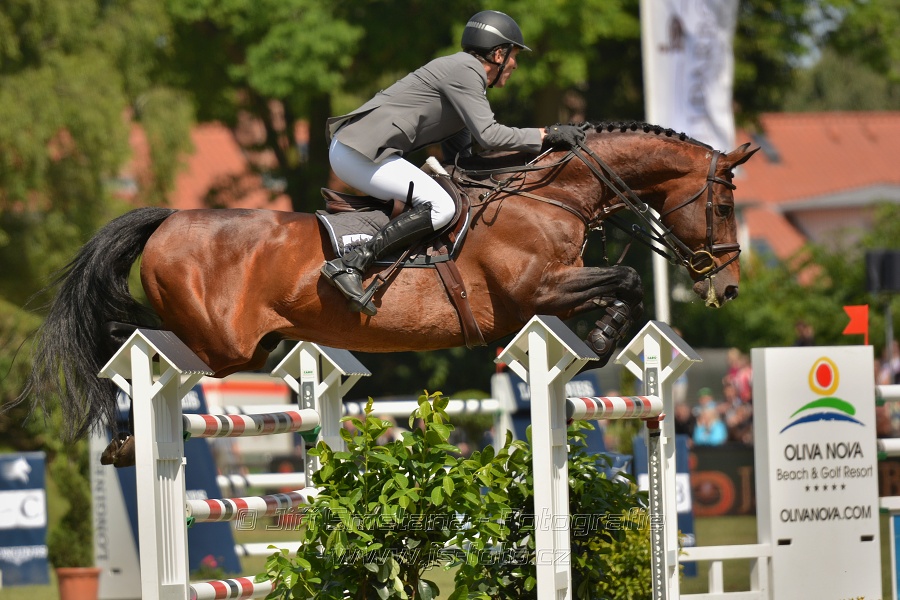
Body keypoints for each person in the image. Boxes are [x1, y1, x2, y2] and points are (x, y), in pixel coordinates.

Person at [321, 10, 585, 315]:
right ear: (498, 54)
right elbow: (489, 135)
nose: (514, 65)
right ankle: (353, 263)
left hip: (362, 151)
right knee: (441, 205)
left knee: (447, 198)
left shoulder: (464, 76)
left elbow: (463, 159)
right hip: (358, 152)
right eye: (514, 56)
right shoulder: (466, 70)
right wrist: (546, 134)